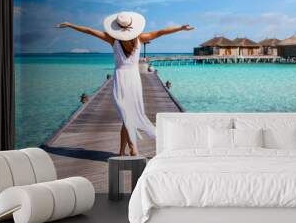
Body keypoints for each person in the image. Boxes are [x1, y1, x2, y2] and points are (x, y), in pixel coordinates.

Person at [57, 12, 194, 155]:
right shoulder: (140, 38)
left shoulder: (112, 40)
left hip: (121, 79)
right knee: (127, 117)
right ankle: (124, 150)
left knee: (127, 116)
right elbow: (161, 32)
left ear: (117, 27)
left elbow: (90, 31)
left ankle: (132, 148)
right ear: (132, 26)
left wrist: (70, 25)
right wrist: (181, 28)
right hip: (133, 79)